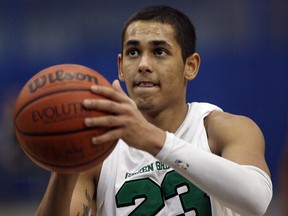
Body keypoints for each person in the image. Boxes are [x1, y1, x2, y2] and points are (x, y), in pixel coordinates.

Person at [36, 5, 273, 216]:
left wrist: (153, 139)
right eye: (133, 52)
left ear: (190, 66)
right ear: (120, 67)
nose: (143, 65)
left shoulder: (224, 129)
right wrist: (65, 167)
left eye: (159, 52)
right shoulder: (100, 150)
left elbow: (257, 201)